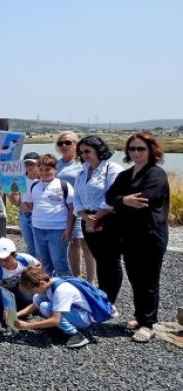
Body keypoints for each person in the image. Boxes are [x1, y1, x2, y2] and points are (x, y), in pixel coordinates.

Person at [105, 132, 169, 343]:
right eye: (132, 149)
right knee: (135, 278)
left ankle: (148, 324)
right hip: (129, 236)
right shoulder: (126, 175)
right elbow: (110, 196)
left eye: (140, 149)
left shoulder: (156, 174)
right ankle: (140, 316)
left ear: (151, 150)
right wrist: (125, 199)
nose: (136, 153)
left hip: (150, 235)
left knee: (148, 280)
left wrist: (121, 201)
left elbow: (145, 199)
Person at [73, 135, 123, 309]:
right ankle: (103, 297)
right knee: (100, 260)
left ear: (98, 149)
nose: (84, 155)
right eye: (81, 152)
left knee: (111, 260)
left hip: (108, 219)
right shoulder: (82, 171)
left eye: (88, 151)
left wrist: (97, 217)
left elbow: (113, 195)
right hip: (87, 220)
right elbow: (76, 197)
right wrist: (86, 218)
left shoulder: (112, 168)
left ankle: (111, 300)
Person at [14, 266, 94, 349]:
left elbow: (55, 320)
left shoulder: (60, 290)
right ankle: (61, 327)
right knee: (37, 298)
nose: (33, 293)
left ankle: (74, 334)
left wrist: (28, 326)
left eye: (33, 290)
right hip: (74, 312)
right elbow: (33, 306)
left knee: (45, 306)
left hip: (83, 318)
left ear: (41, 283)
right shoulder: (50, 283)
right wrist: (15, 315)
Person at [21, 154, 74, 277]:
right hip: (38, 228)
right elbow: (27, 205)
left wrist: (69, 229)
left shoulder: (64, 185)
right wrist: (10, 191)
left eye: (48, 169)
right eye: (41, 170)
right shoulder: (34, 186)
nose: (44, 173)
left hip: (58, 229)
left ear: (55, 169)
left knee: (59, 262)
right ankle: (48, 290)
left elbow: (72, 209)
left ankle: (68, 289)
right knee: (44, 263)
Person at [55, 131, 94, 286]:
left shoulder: (83, 164)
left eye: (68, 142)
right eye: (61, 143)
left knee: (85, 243)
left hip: (82, 207)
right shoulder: (57, 164)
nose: (64, 145)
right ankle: (76, 278)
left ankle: (91, 280)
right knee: (73, 242)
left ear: (76, 144)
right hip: (63, 209)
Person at [0, 238, 41, 331]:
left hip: (20, 289)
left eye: (6, 259)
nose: (2, 263)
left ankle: (22, 312)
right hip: (1, 292)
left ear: (15, 255)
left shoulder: (25, 259)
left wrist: (32, 279)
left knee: (29, 300)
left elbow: (39, 268)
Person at [6, 152, 40, 256]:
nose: (29, 167)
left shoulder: (44, 179)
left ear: (39, 164)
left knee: (40, 248)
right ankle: (33, 271)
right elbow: (14, 201)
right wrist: (6, 188)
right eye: (26, 164)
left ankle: (42, 270)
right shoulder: (20, 178)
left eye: (32, 164)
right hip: (24, 215)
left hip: (39, 216)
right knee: (30, 248)